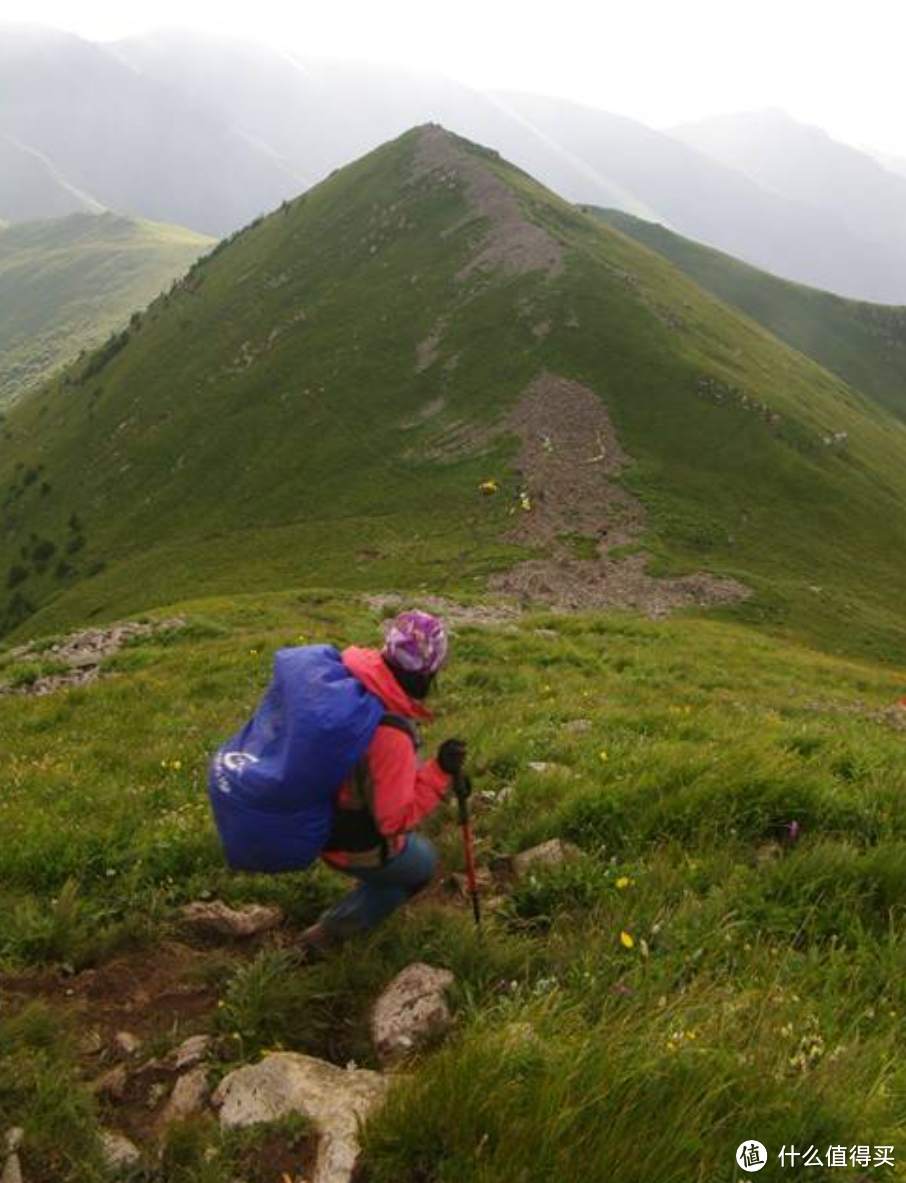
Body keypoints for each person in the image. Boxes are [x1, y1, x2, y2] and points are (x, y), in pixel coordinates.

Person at [298, 610, 467, 954]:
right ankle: (328, 935)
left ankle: (364, 890)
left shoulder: (349, 678)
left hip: (311, 816)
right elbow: (393, 821)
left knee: (407, 848)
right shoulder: (390, 733)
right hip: (347, 841)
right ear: (426, 672)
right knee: (422, 866)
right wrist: (439, 773)